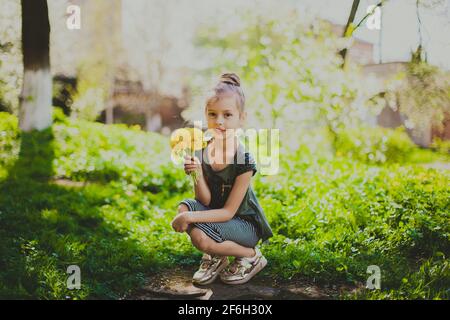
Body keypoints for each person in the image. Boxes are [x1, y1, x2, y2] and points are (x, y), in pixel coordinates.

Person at [171, 73, 273, 285]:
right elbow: (205, 201)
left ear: (241, 118)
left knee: (199, 237)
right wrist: (197, 173)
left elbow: (228, 212)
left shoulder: (244, 160)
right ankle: (217, 254)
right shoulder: (202, 150)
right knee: (185, 207)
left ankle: (250, 255)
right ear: (205, 115)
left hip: (243, 224)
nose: (219, 122)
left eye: (227, 115)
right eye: (213, 114)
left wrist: (190, 219)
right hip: (218, 217)